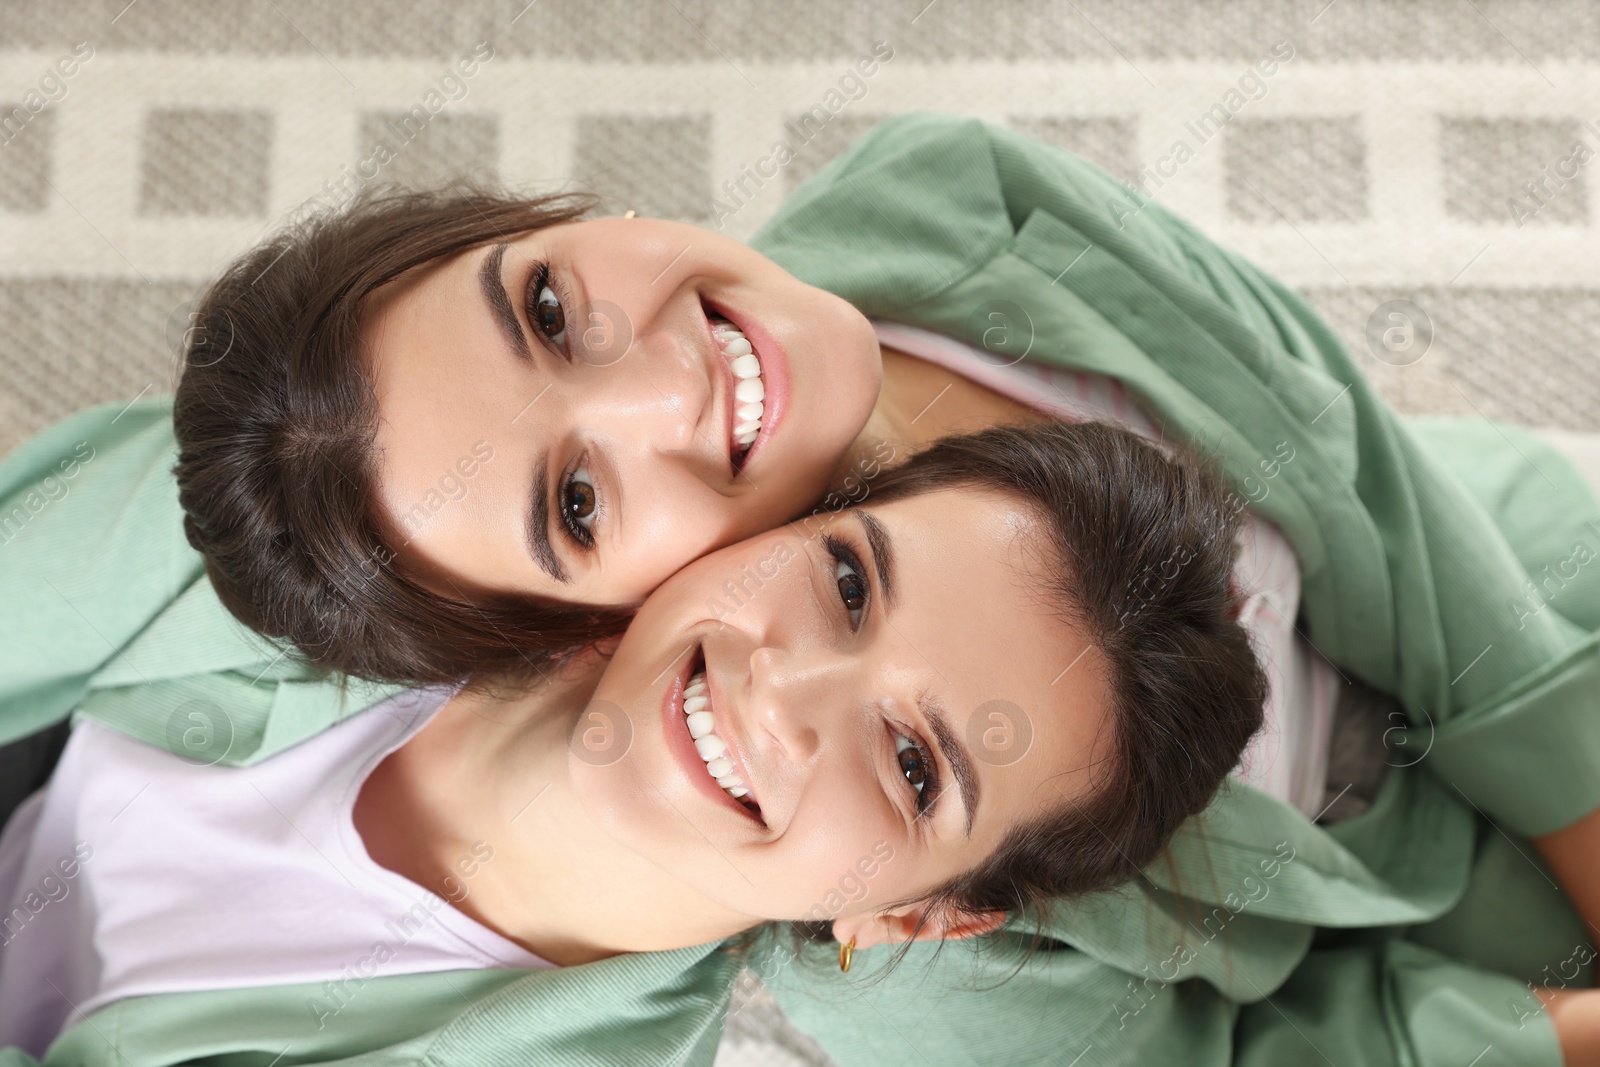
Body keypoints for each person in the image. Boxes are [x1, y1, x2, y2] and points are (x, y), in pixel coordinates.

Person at [3, 110, 1600, 1063]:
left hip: (1518, 583)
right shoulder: (914, 938)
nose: (668, 390)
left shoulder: (954, 200)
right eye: (574, 499)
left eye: (552, 304)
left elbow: (1351, 455)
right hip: (1396, 924)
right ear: (582, 607)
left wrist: (1566, 779)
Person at [0, 421, 1269, 1063]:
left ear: (920, 915)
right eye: (844, 583)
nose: (782, 690)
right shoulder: (409, 510)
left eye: (915, 764)